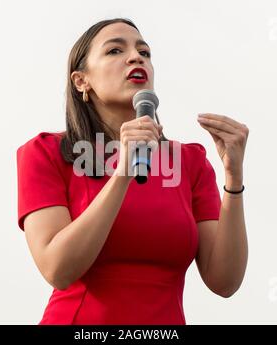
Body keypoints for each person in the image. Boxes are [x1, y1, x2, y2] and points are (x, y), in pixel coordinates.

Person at [16, 18, 249, 325]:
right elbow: (58, 269)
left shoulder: (189, 162)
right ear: (81, 81)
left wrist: (234, 179)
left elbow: (224, 281)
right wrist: (123, 171)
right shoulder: (46, 152)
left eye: (145, 52)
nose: (136, 57)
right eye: (114, 50)